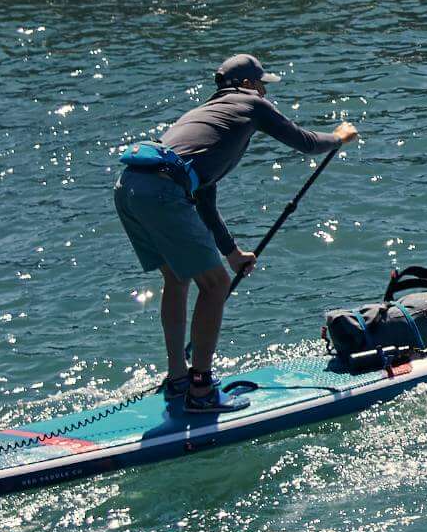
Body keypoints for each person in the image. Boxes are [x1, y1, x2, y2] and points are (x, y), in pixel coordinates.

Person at [114, 54, 359, 413]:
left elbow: (203, 199)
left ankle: (178, 378)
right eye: (261, 84)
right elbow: (306, 142)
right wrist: (337, 137)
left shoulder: (205, 118)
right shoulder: (250, 105)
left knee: (177, 279)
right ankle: (201, 391)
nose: (264, 91)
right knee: (215, 286)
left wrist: (232, 254)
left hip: (129, 187)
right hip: (162, 191)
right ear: (246, 85)